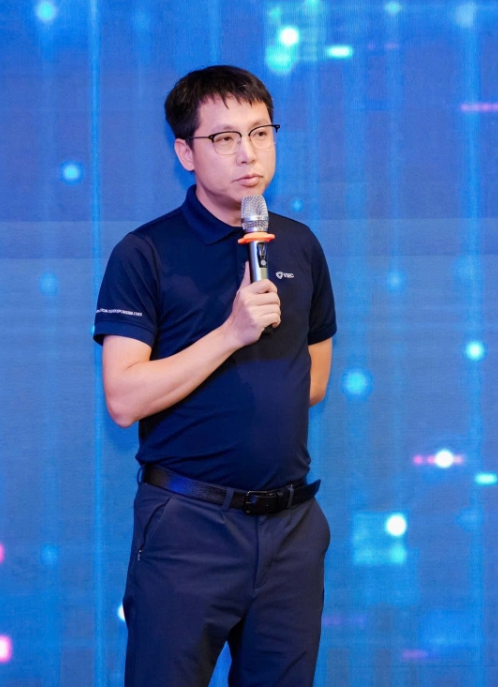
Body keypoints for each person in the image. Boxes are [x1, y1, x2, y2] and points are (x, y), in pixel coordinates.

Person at [93, 65, 337, 687]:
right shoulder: (145, 253)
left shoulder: (299, 245)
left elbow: (312, 381)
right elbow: (123, 398)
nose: (248, 153)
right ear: (186, 152)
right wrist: (230, 334)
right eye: (225, 138)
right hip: (188, 526)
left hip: (291, 530)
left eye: (260, 133)